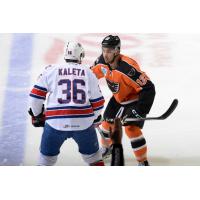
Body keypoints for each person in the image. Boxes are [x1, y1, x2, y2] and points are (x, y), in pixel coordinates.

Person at [28, 42, 105, 166]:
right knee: (94, 158)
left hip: (55, 124)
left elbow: (35, 97)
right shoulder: (88, 72)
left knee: (45, 160)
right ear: (80, 55)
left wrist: (37, 115)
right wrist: (95, 117)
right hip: (84, 125)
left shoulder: (51, 70)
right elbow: (98, 102)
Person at [91, 35, 156, 166]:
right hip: (118, 99)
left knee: (131, 129)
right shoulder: (101, 61)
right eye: (104, 50)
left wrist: (140, 110)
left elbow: (149, 88)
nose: (106, 54)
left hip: (135, 101)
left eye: (109, 51)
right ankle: (106, 149)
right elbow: (88, 76)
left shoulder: (128, 68)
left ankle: (143, 162)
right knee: (106, 124)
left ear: (117, 50)